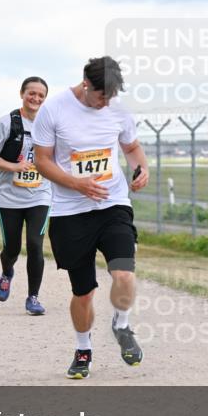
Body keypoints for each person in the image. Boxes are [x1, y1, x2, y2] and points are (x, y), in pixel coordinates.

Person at [32, 56, 149, 379]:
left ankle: (121, 325)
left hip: (113, 205)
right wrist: (75, 183)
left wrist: (142, 168)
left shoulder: (118, 110)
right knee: (83, 291)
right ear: (86, 84)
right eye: (102, 96)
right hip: (71, 212)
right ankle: (83, 349)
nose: (106, 102)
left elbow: (133, 147)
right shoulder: (54, 110)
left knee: (124, 275)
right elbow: (42, 161)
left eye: (111, 96)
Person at [0, 77, 52, 316]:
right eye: (31, 93)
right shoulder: (7, 122)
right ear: (22, 94)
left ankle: (33, 297)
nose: (36, 99)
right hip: (8, 197)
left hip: (40, 194)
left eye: (41, 95)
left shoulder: (50, 123)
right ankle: (7, 271)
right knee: (11, 248)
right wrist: (14, 168)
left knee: (35, 244)